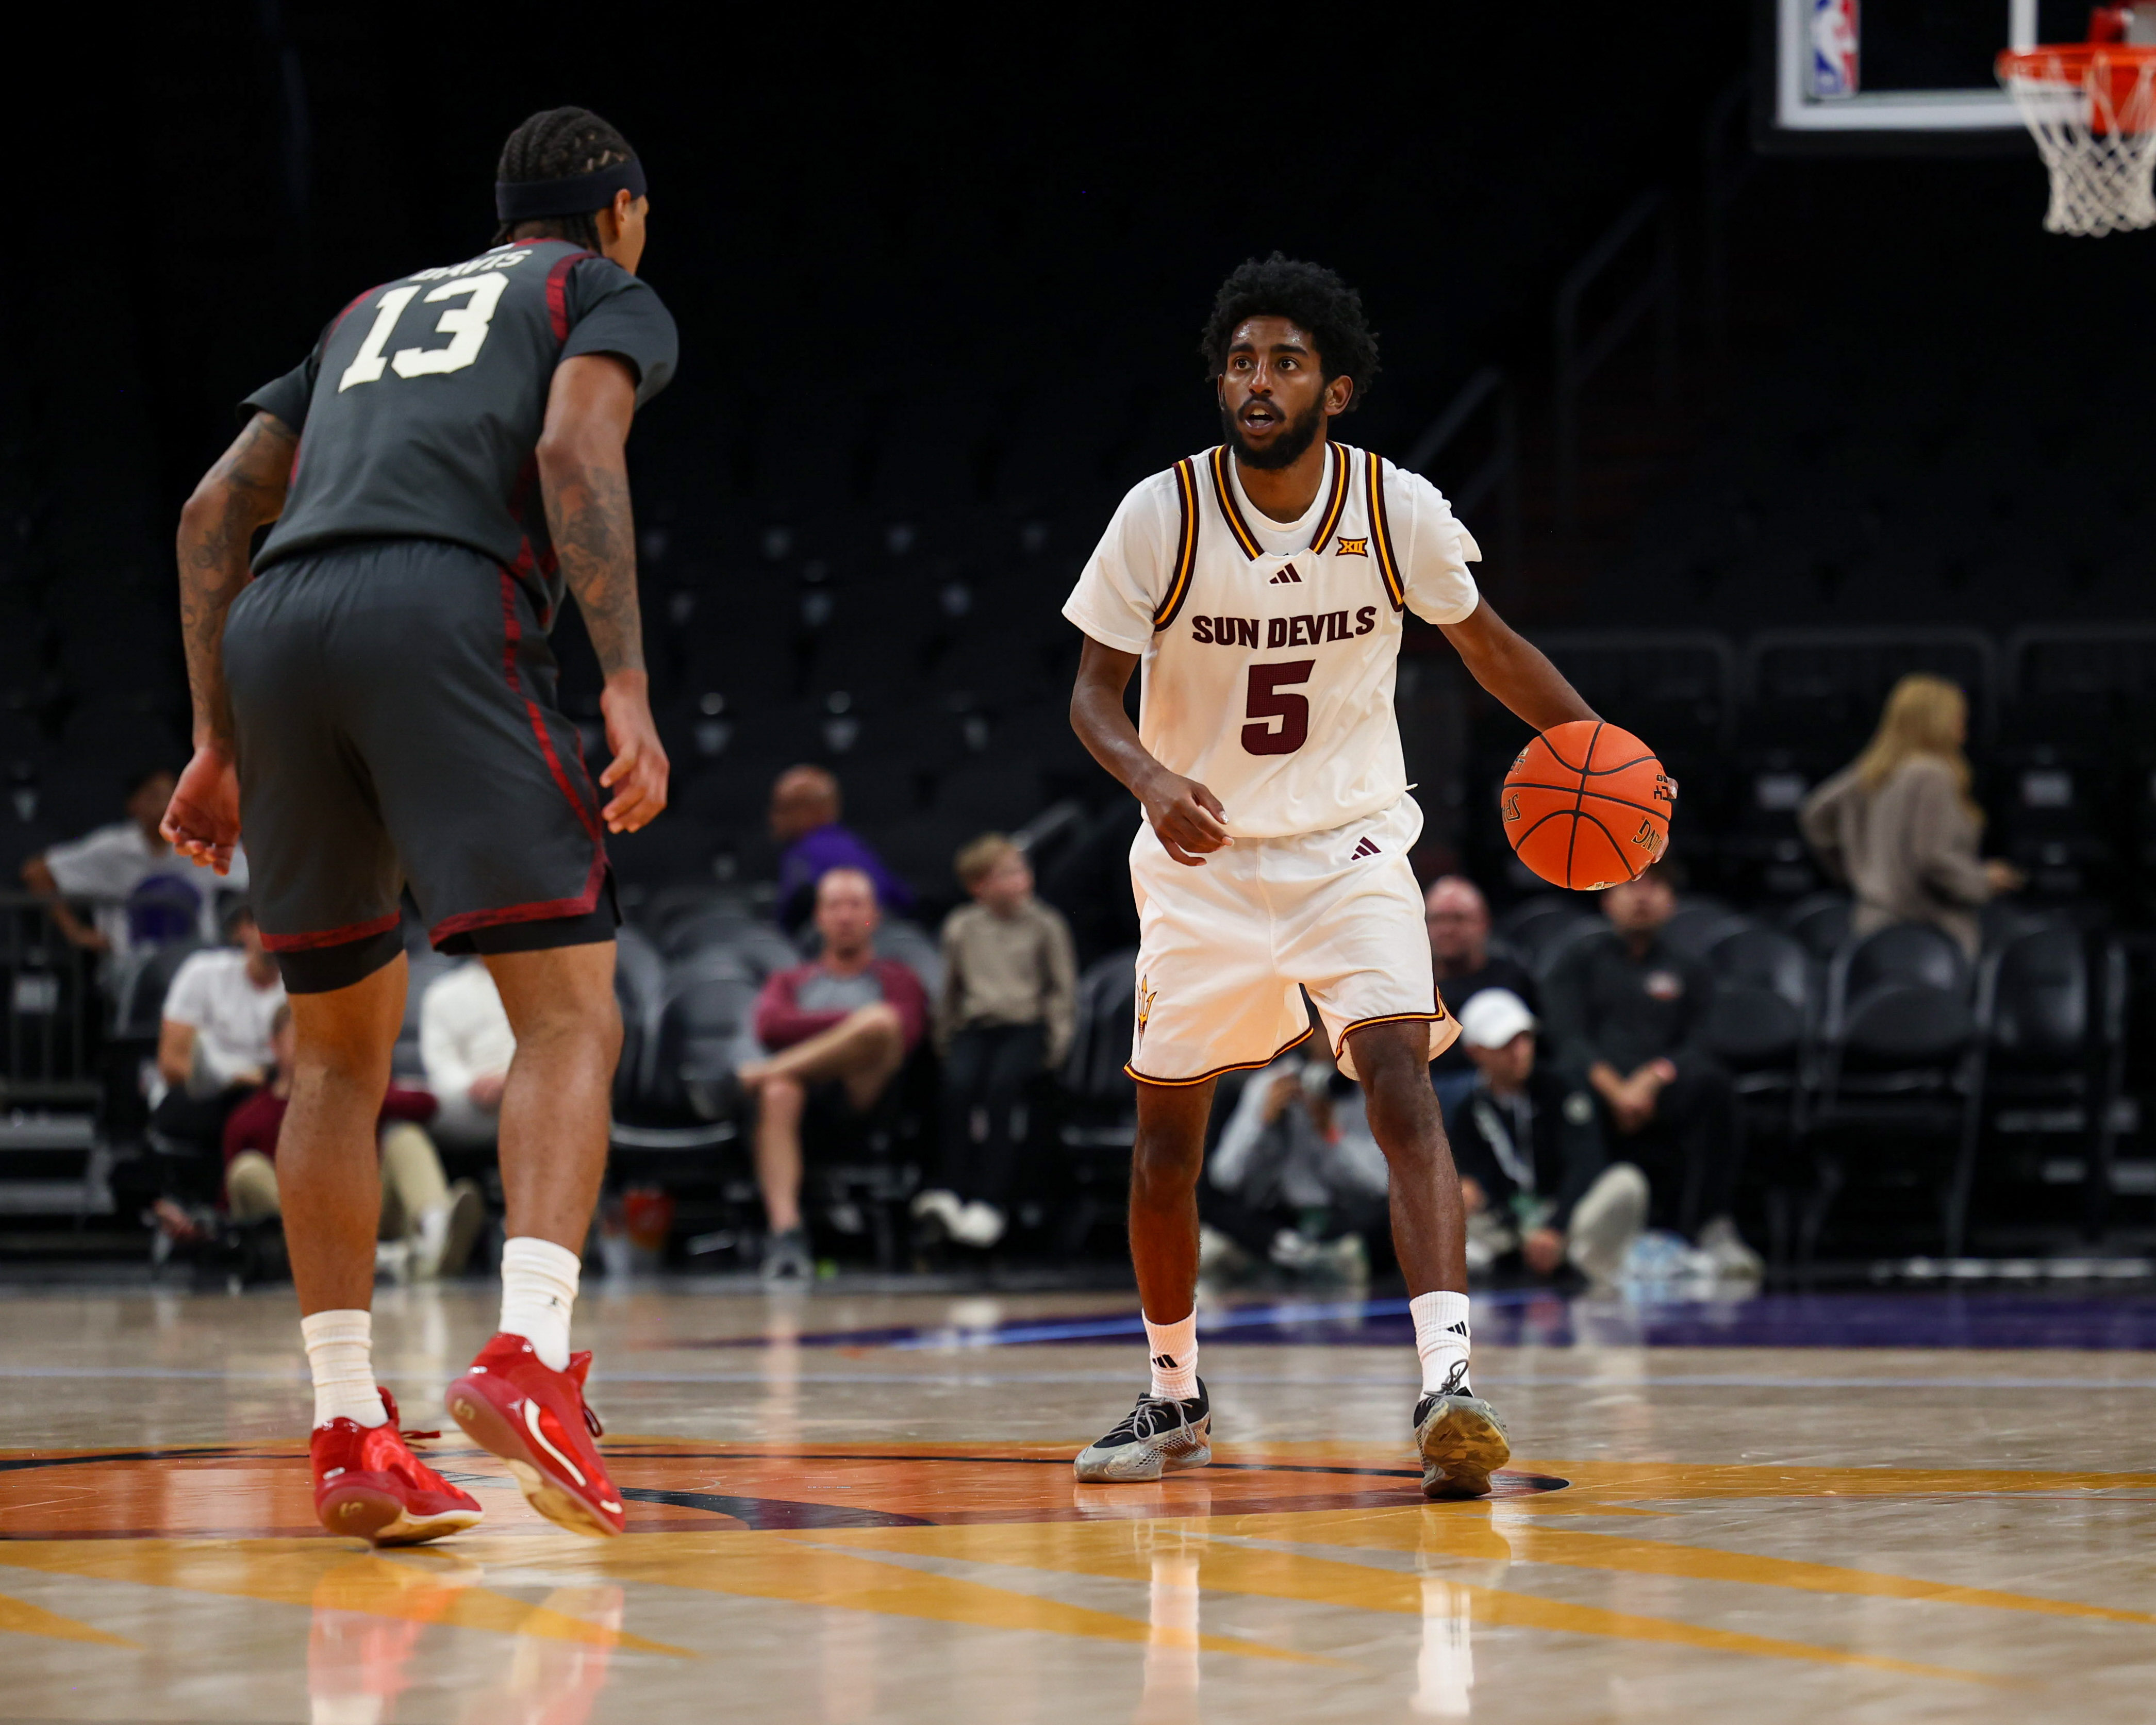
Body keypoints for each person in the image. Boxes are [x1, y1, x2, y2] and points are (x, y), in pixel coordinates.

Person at [160, 106, 676, 1545]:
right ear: (619, 211)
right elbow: (574, 450)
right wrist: (626, 683)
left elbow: (210, 514)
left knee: (333, 1058)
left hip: (277, 629)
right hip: (439, 607)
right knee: (568, 1014)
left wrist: (216, 739)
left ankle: (349, 1430)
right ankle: (527, 1353)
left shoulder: (366, 311)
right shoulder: (595, 290)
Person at [1061, 254, 1600, 1497]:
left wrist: (1593, 745)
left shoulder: (1395, 508)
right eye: (1242, 361)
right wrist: (1150, 778)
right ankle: (1174, 1394)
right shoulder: (1161, 513)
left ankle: (1449, 1385)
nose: (1258, 381)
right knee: (1164, 1146)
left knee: (1401, 1081)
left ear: (1336, 389)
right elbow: (1090, 696)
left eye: (1287, 362)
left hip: (1350, 845)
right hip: (1199, 858)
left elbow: (1486, 645)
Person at [1540, 862, 1761, 1278]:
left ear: (1672, 901)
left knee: (1715, 1086)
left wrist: (1652, 1080)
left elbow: (1700, 1040)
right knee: (1565, 1083)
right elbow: (1568, 1036)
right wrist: (1616, 1090)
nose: (1642, 895)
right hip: (1597, 1087)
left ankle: (1711, 1227)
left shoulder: (1690, 969)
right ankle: (1568, 1225)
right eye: (1629, 885)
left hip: (1661, 1089)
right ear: (1606, 897)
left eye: (1655, 885)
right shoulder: (1578, 961)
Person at [739, 867, 930, 1282]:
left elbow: (905, 1031)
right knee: (778, 1091)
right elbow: (771, 1026)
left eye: (856, 906)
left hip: (869, 1098)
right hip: (804, 1105)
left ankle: (770, 1072)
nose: (845, 916)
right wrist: (848, 1029)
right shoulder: (790, 981)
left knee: (879, 1024)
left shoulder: (898, 979)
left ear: (874, 916)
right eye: (835, 906)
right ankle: (787, 1234)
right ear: (819, 917)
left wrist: (833, 1033)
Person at [225, 1007, 486, 1280]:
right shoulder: (249, 1119)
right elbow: (233, 1199)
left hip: (368, 1213)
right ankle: (370, 1257)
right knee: (246, 1169)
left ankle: (436, 1232)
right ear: (275, 1046)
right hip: (305, 1234)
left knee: (406, 1138)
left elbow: (427, 1105)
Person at [916, 834, 1077, 1249]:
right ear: (979, 885)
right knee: (957, 1088)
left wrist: (1057, 1042)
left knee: (1002, 1091)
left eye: (1021, 870)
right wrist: (944, 1036)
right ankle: (951, 1189)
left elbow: (1061, 989)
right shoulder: (961, 927)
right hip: (976, 1027)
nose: (1020, 880)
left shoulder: (1046, 925)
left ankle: (991, 1199)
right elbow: (950, 989)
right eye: (1006, 874)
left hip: (1025, 1026)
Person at [1799, 672, 2022, 958]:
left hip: (1874, 928)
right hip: (1931, 936)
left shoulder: (1875, 771)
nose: (1963, 725)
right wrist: (1984, 879)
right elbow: (1933, 858)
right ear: (1935, 720)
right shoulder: (1933, 773)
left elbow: (1815, 816)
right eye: (1957, 717)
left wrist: (1860, 871)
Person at [1441, 989, 1646, 1286]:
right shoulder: (1470, 1111)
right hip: (1511, 1222)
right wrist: (1471, 1190)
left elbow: (1585, 1164)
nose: (1520, 1051)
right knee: (1451, 1205)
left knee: (1626, 1182)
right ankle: (1515, 1259)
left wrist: (1555, 1227)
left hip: (1565, 1214)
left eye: (1524, 1039)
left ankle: (1575, 1258)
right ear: (1475, 1052)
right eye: (1505, 1044)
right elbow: (1477, 1176)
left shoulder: (1562, 1089)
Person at [1201, 1052, 1389, 1282]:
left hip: (1333, 1222)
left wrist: (1328, 1133)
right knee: (1210, 1230)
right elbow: (1225, 1176)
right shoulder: (1268, 1084)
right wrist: (1263, 1122)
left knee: (1371, 1233)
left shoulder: (1355, 1089)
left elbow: (1377, 1185)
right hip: (1266, 1223)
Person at [21, 767, 246, 959]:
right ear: (133, 805)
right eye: (155, 797)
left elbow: (257, 873)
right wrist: (76, 933)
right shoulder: (112, 849)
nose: (167, 805)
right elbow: (37, 873)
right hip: (130, 964)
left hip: (196, 962)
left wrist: (244, 929)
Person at [148, 904, 287, 1182]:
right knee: (245, 1110)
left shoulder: (308, 987)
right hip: (199, 1097)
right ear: (244, 930)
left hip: (272, 1093)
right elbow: (171, 1064)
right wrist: (234, 1078)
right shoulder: (203, 973)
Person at [769, 765, 915, 933]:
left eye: (783, 809)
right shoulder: (856, 844)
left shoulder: (802, 854)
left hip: (859, 936)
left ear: (812, 811)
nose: (773, 818)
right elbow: (905, 900)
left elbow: (787, 923)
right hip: (882, 931)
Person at [1424, 876, 1538, 1079]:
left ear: (1484, 922)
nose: (1447, 930)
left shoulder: (1512, 977)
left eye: (1458, 918)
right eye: (1437, 919)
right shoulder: (1413, 990)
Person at [419, 958, 517, 1149]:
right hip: (470, 1100)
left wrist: (512, 1081)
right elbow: (441, 1065)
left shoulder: (548, 986)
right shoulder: (443, 992)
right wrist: (475, 1085)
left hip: (531, 1088)